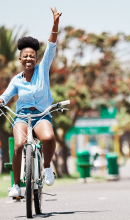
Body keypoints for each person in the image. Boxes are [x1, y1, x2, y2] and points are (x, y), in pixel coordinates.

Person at [0, 7, 62, 197]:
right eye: (25, 56)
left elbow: (51, 45)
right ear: (20, 59)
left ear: (36, 58)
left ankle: (47, 167)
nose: (29, 58)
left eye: (32, 56)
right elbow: (6, 95)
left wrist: (55, 24)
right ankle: (17, 186)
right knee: (19, 146)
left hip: (41, 114)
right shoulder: (17, 80)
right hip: (21, 117)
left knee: (49, 138)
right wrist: (1, 99)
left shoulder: (42, 70)